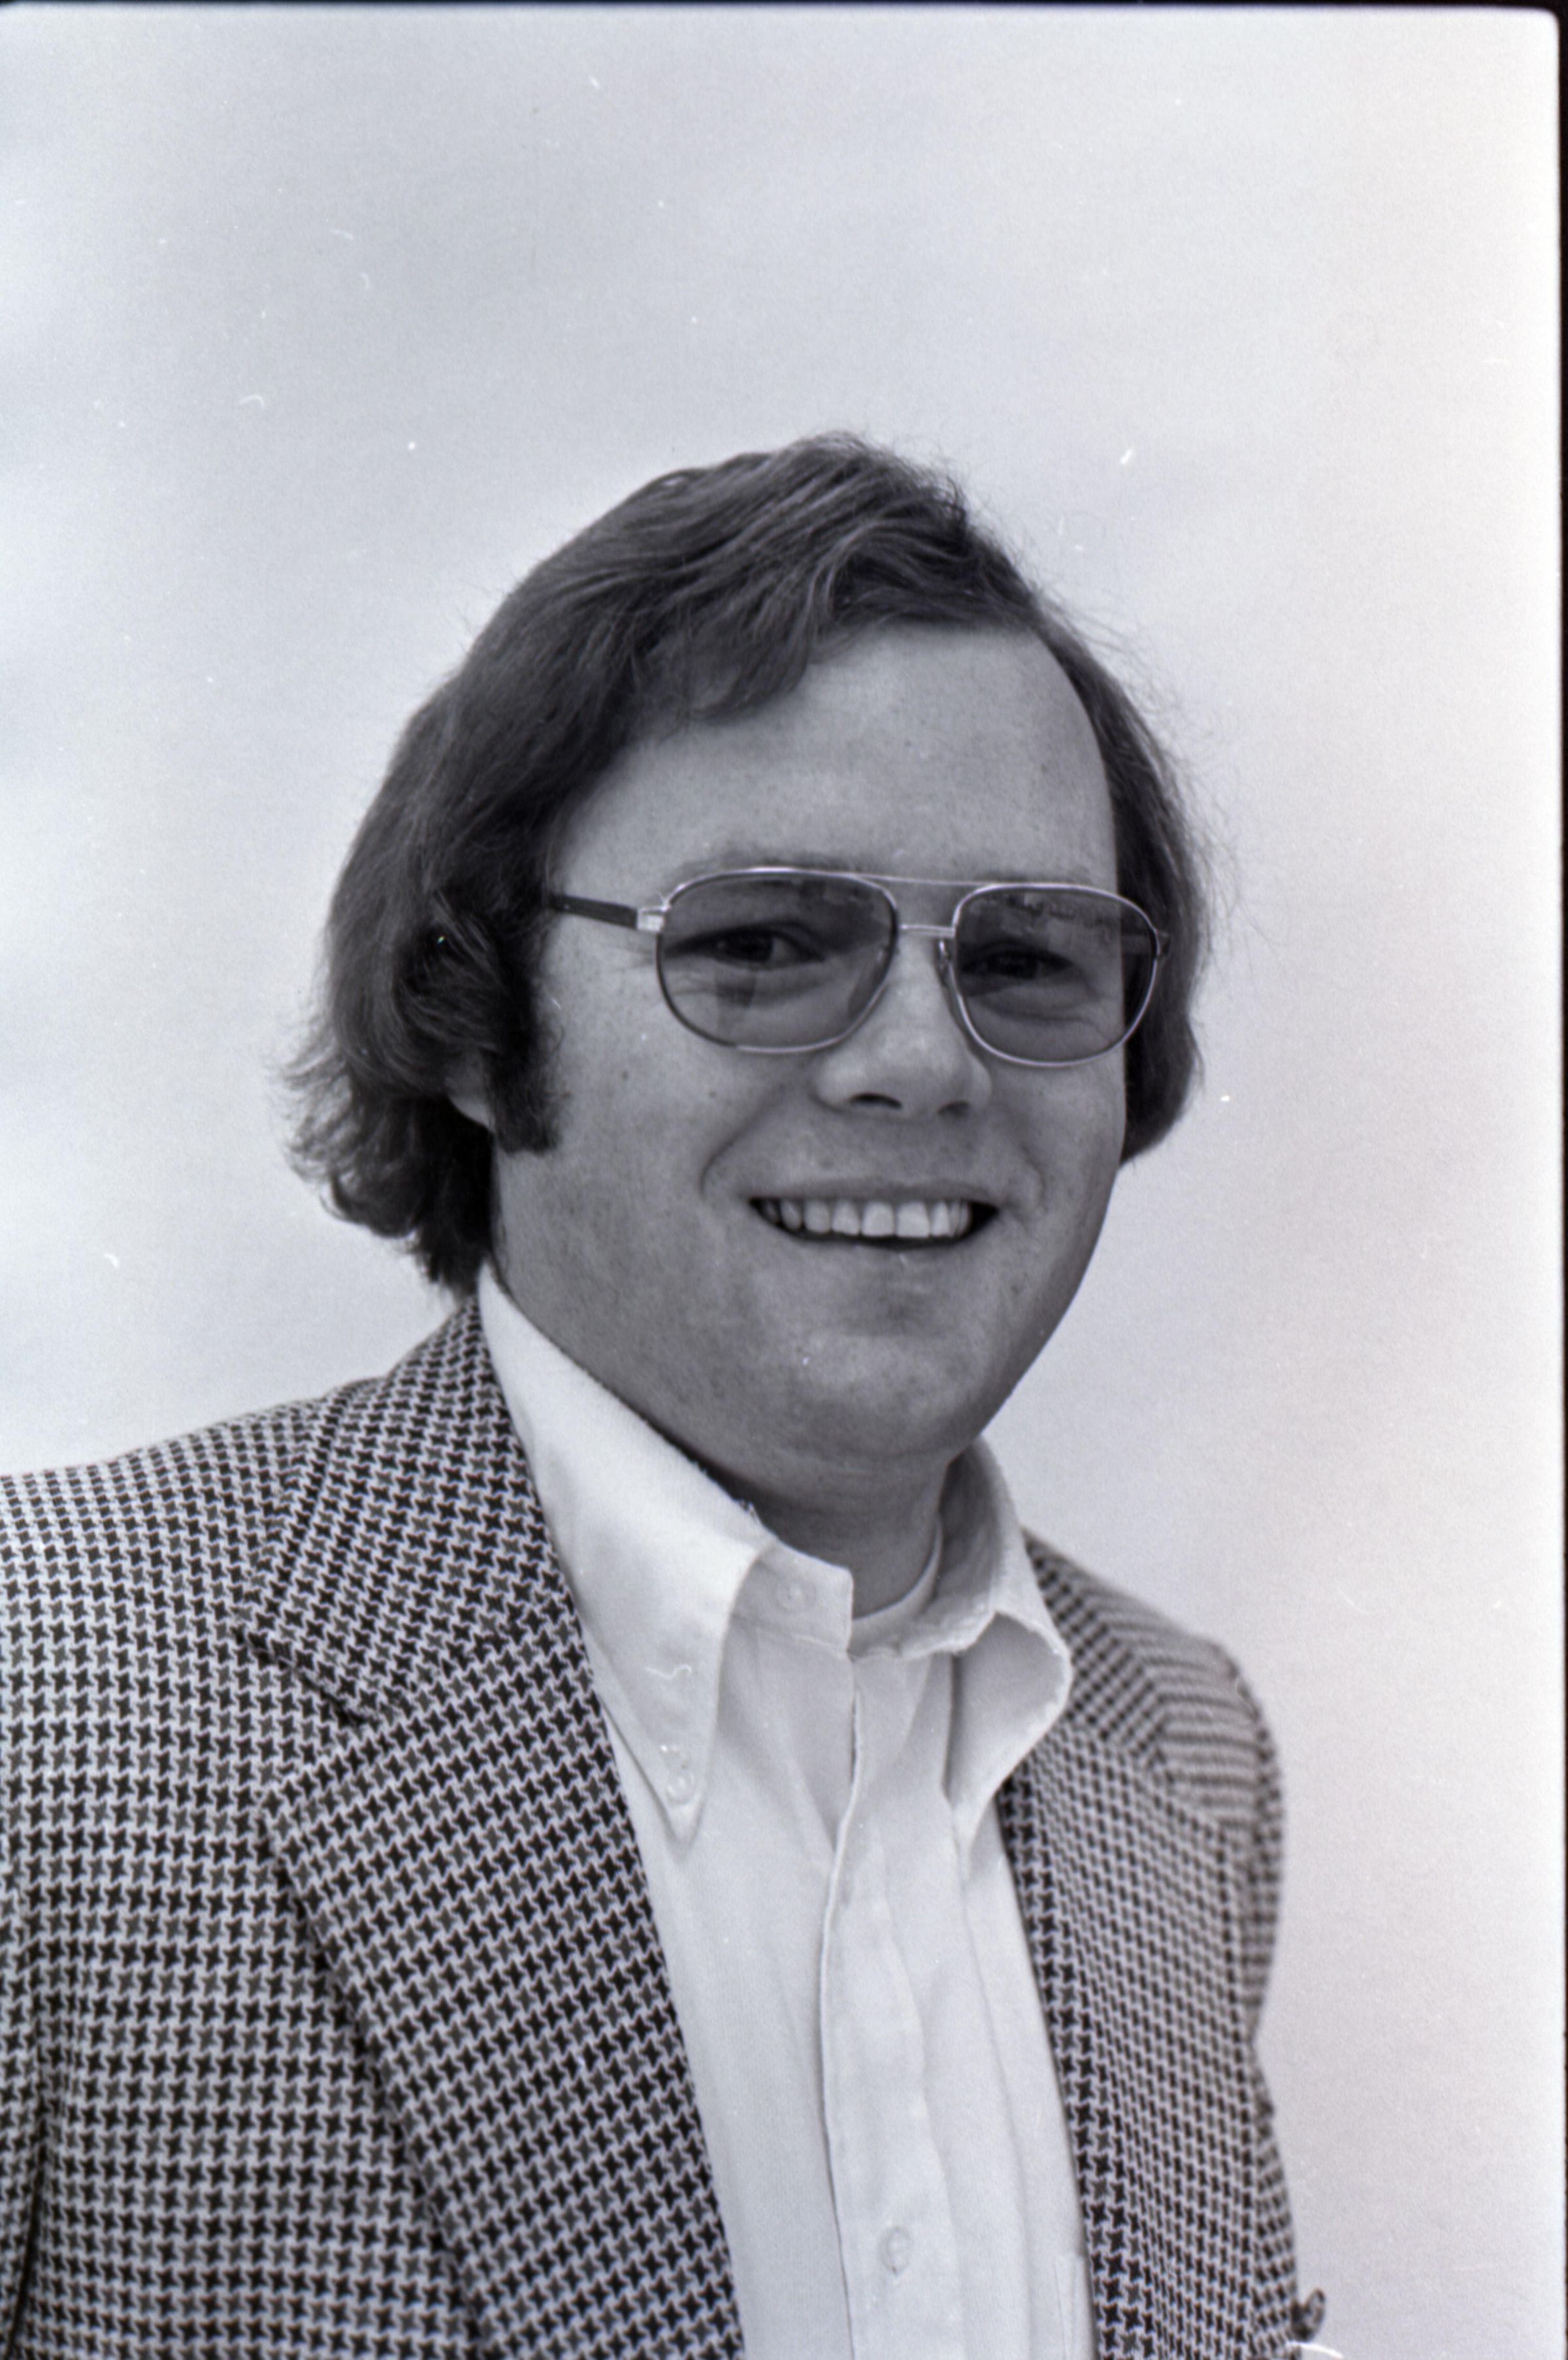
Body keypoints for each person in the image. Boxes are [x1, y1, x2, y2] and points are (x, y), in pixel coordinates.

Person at [1, 437, 1332, 2359]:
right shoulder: (50, 1705)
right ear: (475, 1016)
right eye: (765, 943)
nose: (921, 1062)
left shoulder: (1190, 1756)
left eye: (1028, 959)